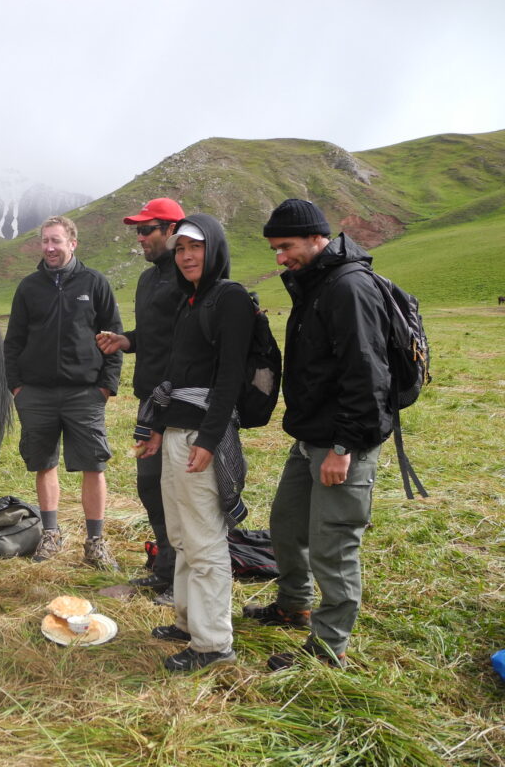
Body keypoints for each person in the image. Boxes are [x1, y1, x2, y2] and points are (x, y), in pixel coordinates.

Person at [245, 199, 392, 670]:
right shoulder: (317, 283)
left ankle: (330, 648)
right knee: (287, 527)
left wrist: (344, 447)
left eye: (286, 246)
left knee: (333, 546)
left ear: (316, 237)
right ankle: (294, 605)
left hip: (342, 443)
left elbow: (367, 375)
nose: (280, 257)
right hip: (311, 437)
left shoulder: (348, 288)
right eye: (274, 248)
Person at [143, 214, 254, 671]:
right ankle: (189, 622)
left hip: (201, 435)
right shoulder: (191, 301)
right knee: (182, 534)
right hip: (177, 430)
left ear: (216, 250)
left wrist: (208, 440)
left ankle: (213, 645)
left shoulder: (229, 299)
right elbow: (177, 373)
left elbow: (229, 377)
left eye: (197, 247)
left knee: (206, 540)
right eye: (181, 249)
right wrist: (155, 425)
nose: (187, 256)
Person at [4, 215, 123, 569]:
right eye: (45, 241)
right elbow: (13, 342)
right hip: (36, 393)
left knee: (93, 464)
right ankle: (51, 534)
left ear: (72, 243)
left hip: (84, 392)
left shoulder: (94, 282)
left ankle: (95, 542)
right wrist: (17, 388)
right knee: (44, 463)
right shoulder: (29, 287)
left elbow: (112, 336)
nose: (50, 248)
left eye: (56, 241)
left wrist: (106, 386)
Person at [96, 198, 186, 604]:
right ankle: (166, 570)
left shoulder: (190, 275)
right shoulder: (149, 280)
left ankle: (185, 580)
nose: (139, 238)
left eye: (146, 229)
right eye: (137, 230)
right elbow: (155, 333)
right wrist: (126, 340)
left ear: (170, 230)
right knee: (150, 486)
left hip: (184, 403)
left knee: (182, 492)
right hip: (150, 400)